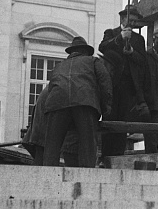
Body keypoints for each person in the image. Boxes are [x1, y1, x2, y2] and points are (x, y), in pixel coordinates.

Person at [40, 36, 113, 168]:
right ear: (85, 51)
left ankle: (48, 178)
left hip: (57, 105)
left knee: (52, 146)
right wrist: (105, 108)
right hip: (84, 102)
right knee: (88, 144)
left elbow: (51, 90)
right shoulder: (93, 61)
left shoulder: (59, 66)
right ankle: (87, 176)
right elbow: (105, 83)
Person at [97, 6, 152, 158]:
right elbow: (102, 47)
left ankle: (118, 156)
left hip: (128, 87)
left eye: (135, 21)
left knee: (123, 123)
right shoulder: (111, 33)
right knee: (109, 119)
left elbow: (142, 61)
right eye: (131, 20)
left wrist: (132, 53)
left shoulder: (138, 39)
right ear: (122, 19)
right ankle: (106, 156)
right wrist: (120, 38)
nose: (133, 24)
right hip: (112, 84)